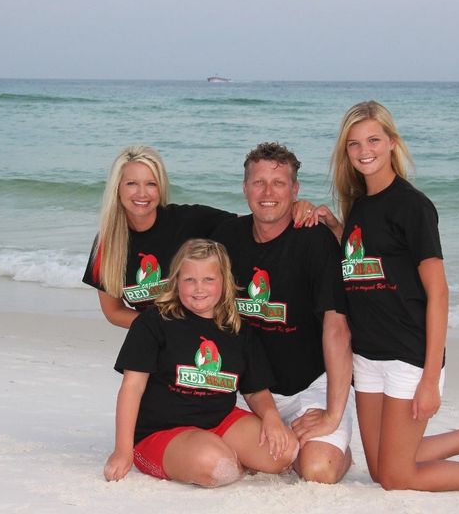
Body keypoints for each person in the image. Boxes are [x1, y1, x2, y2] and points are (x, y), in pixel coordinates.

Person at [323, 100, 459, 490]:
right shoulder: (358, 206)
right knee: (379, 469)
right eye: (353, 144)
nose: (364, 150)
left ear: (391, 143)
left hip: (409, 355)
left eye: (373, 139)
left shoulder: (413, 206)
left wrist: (428, 376)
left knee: (396, 477)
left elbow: (438, 293)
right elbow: (367, 259)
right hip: (368, 356)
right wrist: (333, 224)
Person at [212, 142, 354, 484]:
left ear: (295, 189)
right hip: (249, 393)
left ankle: (336, 447)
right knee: (229, 462)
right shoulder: (227, 239)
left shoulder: (314, 240)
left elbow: (337, 330)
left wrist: (333, 415)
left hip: (309, 388)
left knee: (318, 470)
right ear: (245, 188)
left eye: (278, 183)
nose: (267, 193)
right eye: (258, 182)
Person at [103, 238, 298, 487]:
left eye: (209, 279)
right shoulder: (154, 322)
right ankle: (216, 454)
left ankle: (222, 450)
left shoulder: (237, 328)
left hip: (219, 420)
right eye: (189, 280)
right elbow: (132, 387)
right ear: (176, 281)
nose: (199, 288)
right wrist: (123, 450)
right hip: (161, 431)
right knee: (217, 466)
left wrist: (271, 416)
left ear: (224, 281)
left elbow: (255, 390)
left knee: (285, 451)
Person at [83, 145, 313, 328]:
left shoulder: (188, 221)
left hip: (203, 334)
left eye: (151, 184)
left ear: (161, 187)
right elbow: (114, 312)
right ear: (117, 188)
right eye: (131, 183)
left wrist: (294, 208)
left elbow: (256, 220)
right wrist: (163, 327)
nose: (142, 193)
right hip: (153, 336)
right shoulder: (108, 243)